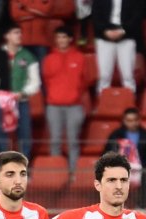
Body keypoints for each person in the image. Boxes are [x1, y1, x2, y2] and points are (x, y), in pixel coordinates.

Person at [0, 24, 40, 157]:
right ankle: (3, 166)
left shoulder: (28, 56)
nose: (19, 35)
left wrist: (23, 93)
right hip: (2, 102)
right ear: (7, 36)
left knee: (25, 134)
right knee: (1, 133)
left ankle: (24, 166)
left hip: (22, 101)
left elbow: (35, 81)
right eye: (15, 33)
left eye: (20, 33)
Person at [42, 25, 86, 173]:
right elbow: (46, 80)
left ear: (70, 39)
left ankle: (74, 174)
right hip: (54, 105)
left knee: (73, 142)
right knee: (55, 141)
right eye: (58, 37)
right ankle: (56, 174)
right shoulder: (49, 59)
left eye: (64, 37)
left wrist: (75, 95)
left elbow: (85, 81)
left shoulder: (80, 58)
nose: (61, 40)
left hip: (74, 105)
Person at [92, 0, 144, 92]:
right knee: (104, 75)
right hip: (104, 38)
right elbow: (96, 16)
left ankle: (129, 101)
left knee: (128, 75)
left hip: (127, 37)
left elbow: (137, 16)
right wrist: (105, 31)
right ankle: (103, 101)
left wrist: (123, 31)